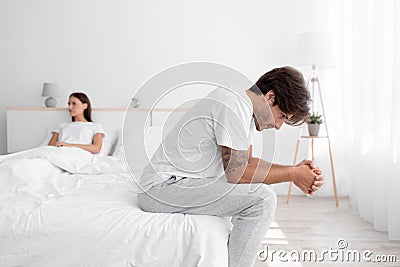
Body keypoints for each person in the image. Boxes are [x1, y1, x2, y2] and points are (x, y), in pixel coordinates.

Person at [137, 66, 324, 267]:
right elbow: (238, 175)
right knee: (263, 199)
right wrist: (294, 174)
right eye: (282, 117)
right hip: (161, 189)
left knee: (259, 194)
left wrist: (294, 169)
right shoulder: (234, 105)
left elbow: (247, 163)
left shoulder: (242, 103)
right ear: (270, 97)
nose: (278, 126)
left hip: (172, 186)